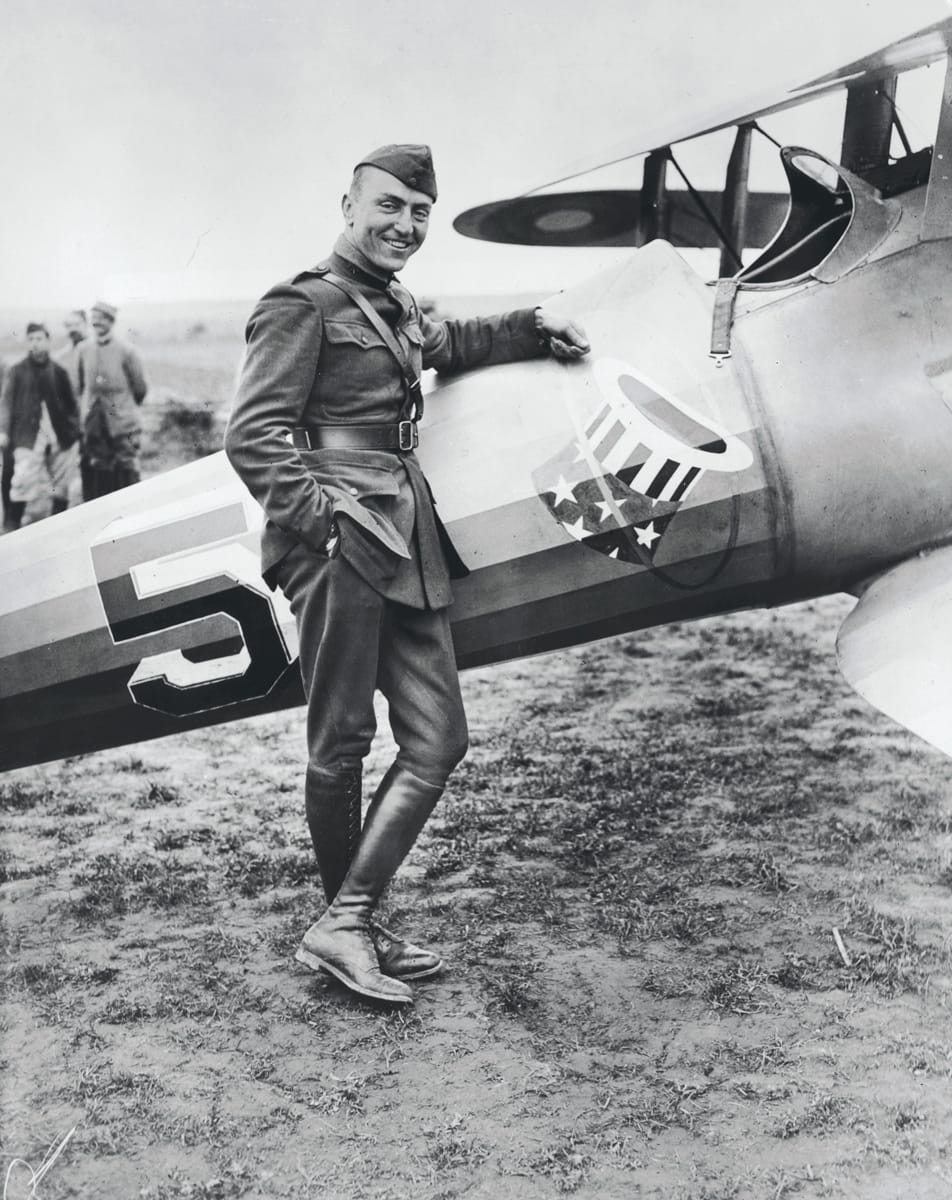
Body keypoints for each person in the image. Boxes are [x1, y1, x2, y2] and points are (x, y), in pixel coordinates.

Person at [225, 143, 590, 1005]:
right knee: (343, 738)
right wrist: (323, 525)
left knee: (438, 739)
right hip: (343, 538)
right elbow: (254, 434)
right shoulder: (301, 302)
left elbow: (448, 338)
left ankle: (345, 920)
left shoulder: (391, 302)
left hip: (404, 535)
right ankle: (346, 923)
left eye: (420, 212)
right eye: (389, 206)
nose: (405, 225)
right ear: (349, 205)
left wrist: (536, 323)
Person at [0, 323, 80, 530]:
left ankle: (57, 527)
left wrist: (73, 429)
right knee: (22, 480)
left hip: (59, 434)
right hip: (27, 435)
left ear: (48, 341)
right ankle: (12, 525)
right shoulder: (16, 371)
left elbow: (72, 404)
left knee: (61, 485)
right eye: (31, 339)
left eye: (39, 339)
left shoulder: (58, 371)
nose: (35, 344)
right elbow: (6, 404)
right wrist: (3, 432)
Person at [78, 301, 148, 498]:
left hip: (123, 423)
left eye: (101, 319)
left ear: (111, 321)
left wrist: (125, 409)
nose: (96, 323)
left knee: (128, 471)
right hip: (95, 424)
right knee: (101, 473)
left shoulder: (127, 351)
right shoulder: (83, 350)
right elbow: (82, 387)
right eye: (93, 319)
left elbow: (140, 388)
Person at [54, 309, 89, 505]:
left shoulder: (95, 351)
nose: (73, 329)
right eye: (69, 325)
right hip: (69, 424)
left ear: (86, 324)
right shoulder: (60, 358)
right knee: (63, 477)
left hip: (93, 422)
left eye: (77, 324)